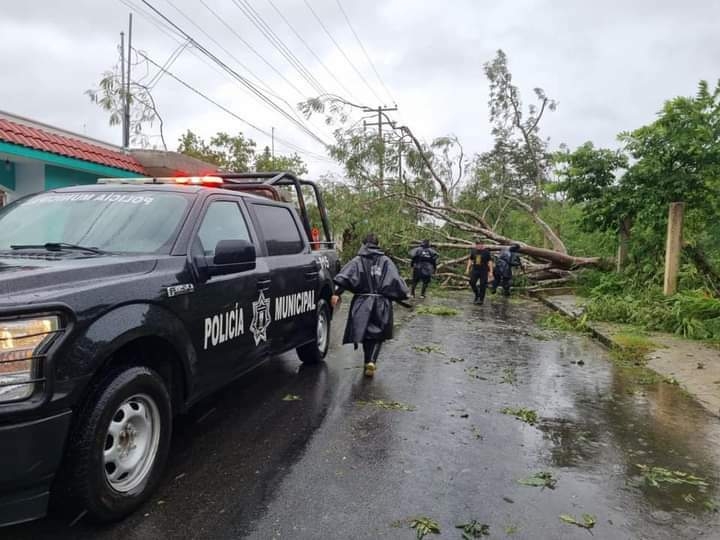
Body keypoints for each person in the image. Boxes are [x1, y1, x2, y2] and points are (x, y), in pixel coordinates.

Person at [331, 233, 410, 377]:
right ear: (377, 244)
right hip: (381, 302)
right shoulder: (386, 261)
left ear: (363, 244)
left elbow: (345, 277)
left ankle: (368, 360)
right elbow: (395, 280)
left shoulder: (358, 260)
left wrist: (337, 293)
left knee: (365, 333)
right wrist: (403, 294)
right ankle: (372, 361)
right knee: (377, 334)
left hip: (362, 302)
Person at [466, 240, 493, 304]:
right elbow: (470, 259)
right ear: (476, 245)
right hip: (475, 269)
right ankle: (477, 294)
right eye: (477, 244)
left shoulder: (486, 252)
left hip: (483, 270)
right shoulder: (473, 251)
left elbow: (490, 261)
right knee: (472, 282)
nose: (479, 245)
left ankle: (481, 299)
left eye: (480, 244)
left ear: (482, 245)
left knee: (483, 285)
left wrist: (491, 271)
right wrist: (467, 268)